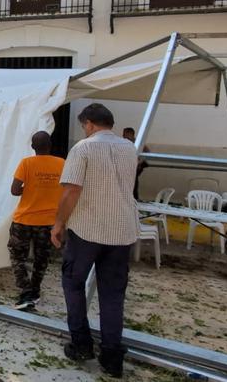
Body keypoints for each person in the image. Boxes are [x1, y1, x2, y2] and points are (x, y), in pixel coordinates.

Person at [52, 103, 139, 378]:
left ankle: (81, 344)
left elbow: (71, 191)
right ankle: (112, 357)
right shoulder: (129, 148)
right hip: (122, 230)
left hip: (88, 229)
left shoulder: (83, 148)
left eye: (83, 127)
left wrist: (58, 223)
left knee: (73, 282)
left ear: (88, 124)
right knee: (113, 295)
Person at [8, 131, 65, 311]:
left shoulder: (26, 163)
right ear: (51, 145)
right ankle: (35, 291)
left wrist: (31, 187)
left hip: (24, 219)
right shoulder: (62, 164)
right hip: (48, 221)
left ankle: (26, 292)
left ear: (33, 146)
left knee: (18, 256)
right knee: (42, 258)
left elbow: (15, 190)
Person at [122, 127, 149, 200]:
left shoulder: (138, 142)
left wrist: (139, 162)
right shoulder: (124, 142)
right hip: (129, 166)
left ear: (131, 134)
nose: (124, 136)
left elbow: (146, 153)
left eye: (126, 134)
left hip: (136, 166)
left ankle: (134, 198)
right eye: (123, 134)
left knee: (133, 182)